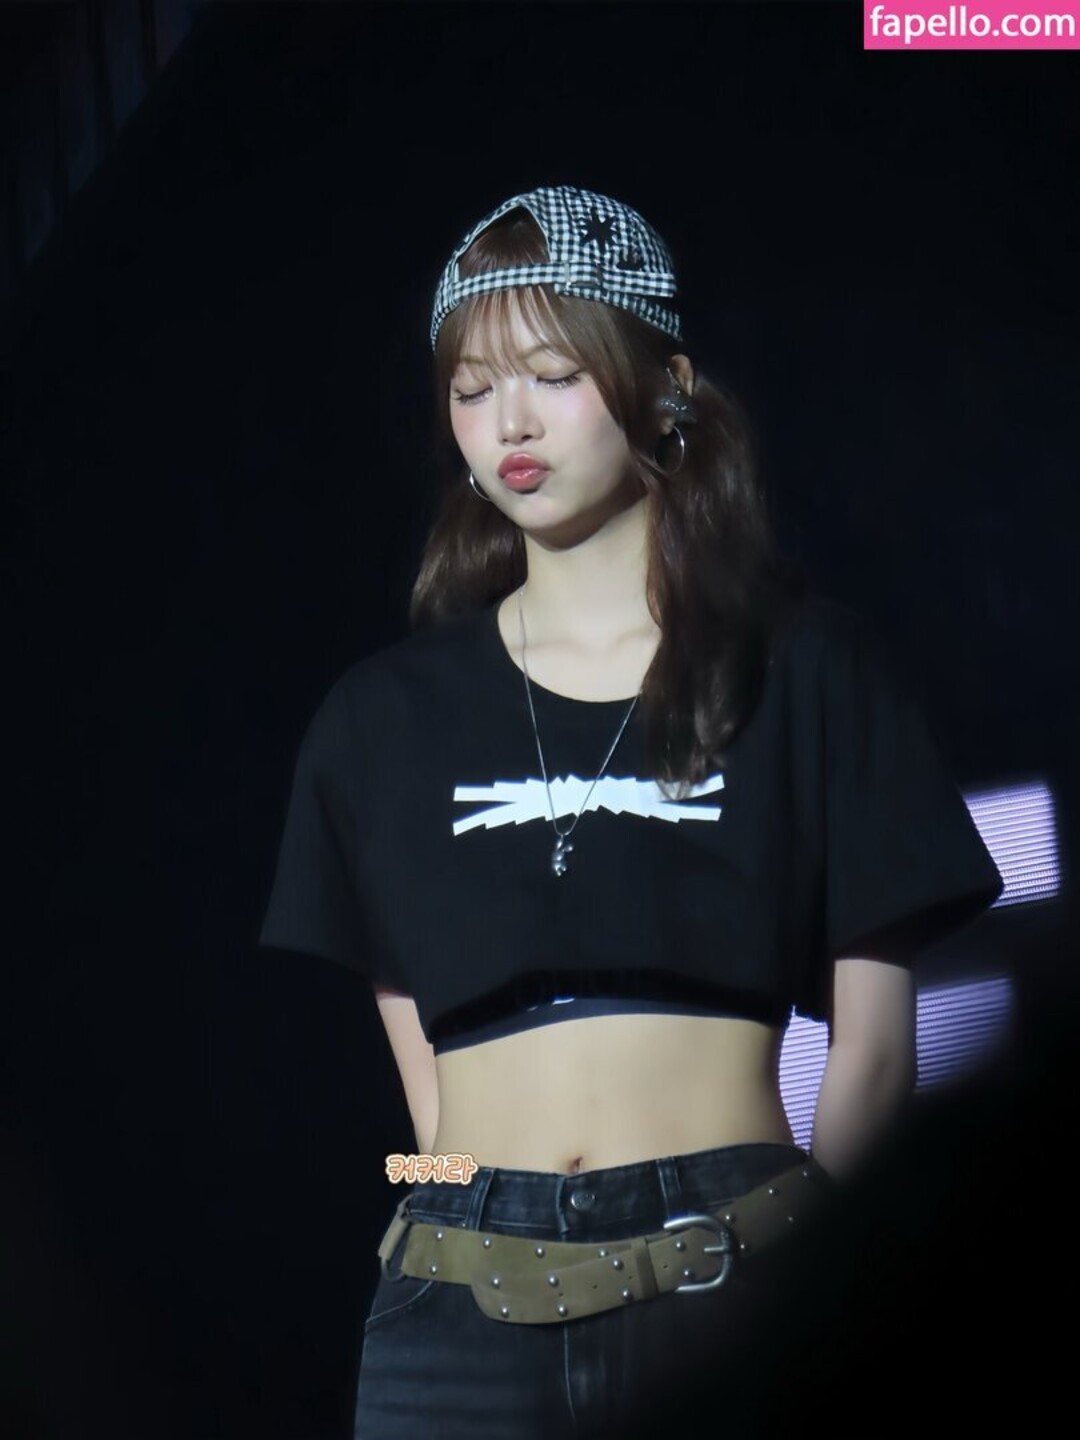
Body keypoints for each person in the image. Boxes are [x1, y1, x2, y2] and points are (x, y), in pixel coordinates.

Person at [258, 185, 1004, 1438]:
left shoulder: (806, 672)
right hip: (454, 1312)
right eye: (472, 389)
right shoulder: (379, 722)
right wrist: (455, 1209)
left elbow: (876, 1053)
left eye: (553, 376)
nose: (510, 423)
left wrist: (824, 1283)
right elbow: (425, 1105)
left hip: (738, 1264)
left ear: (667, 389)